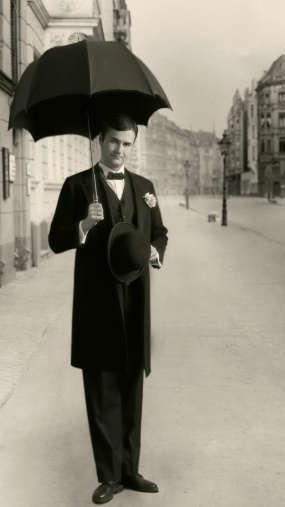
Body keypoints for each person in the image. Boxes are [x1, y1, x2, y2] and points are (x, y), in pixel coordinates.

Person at [48, 114, 168, 504]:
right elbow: (54, 239)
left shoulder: (146, 188)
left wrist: (156, 251)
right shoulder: (77, 185)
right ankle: (109, 475)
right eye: (114, 141)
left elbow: (159, 232)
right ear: (100, 140)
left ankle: (131, 470)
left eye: (127, 143)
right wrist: (82, 226)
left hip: (136, 299)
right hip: (97, 303)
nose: (120, 150)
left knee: (132, 381)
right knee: (102, 387)